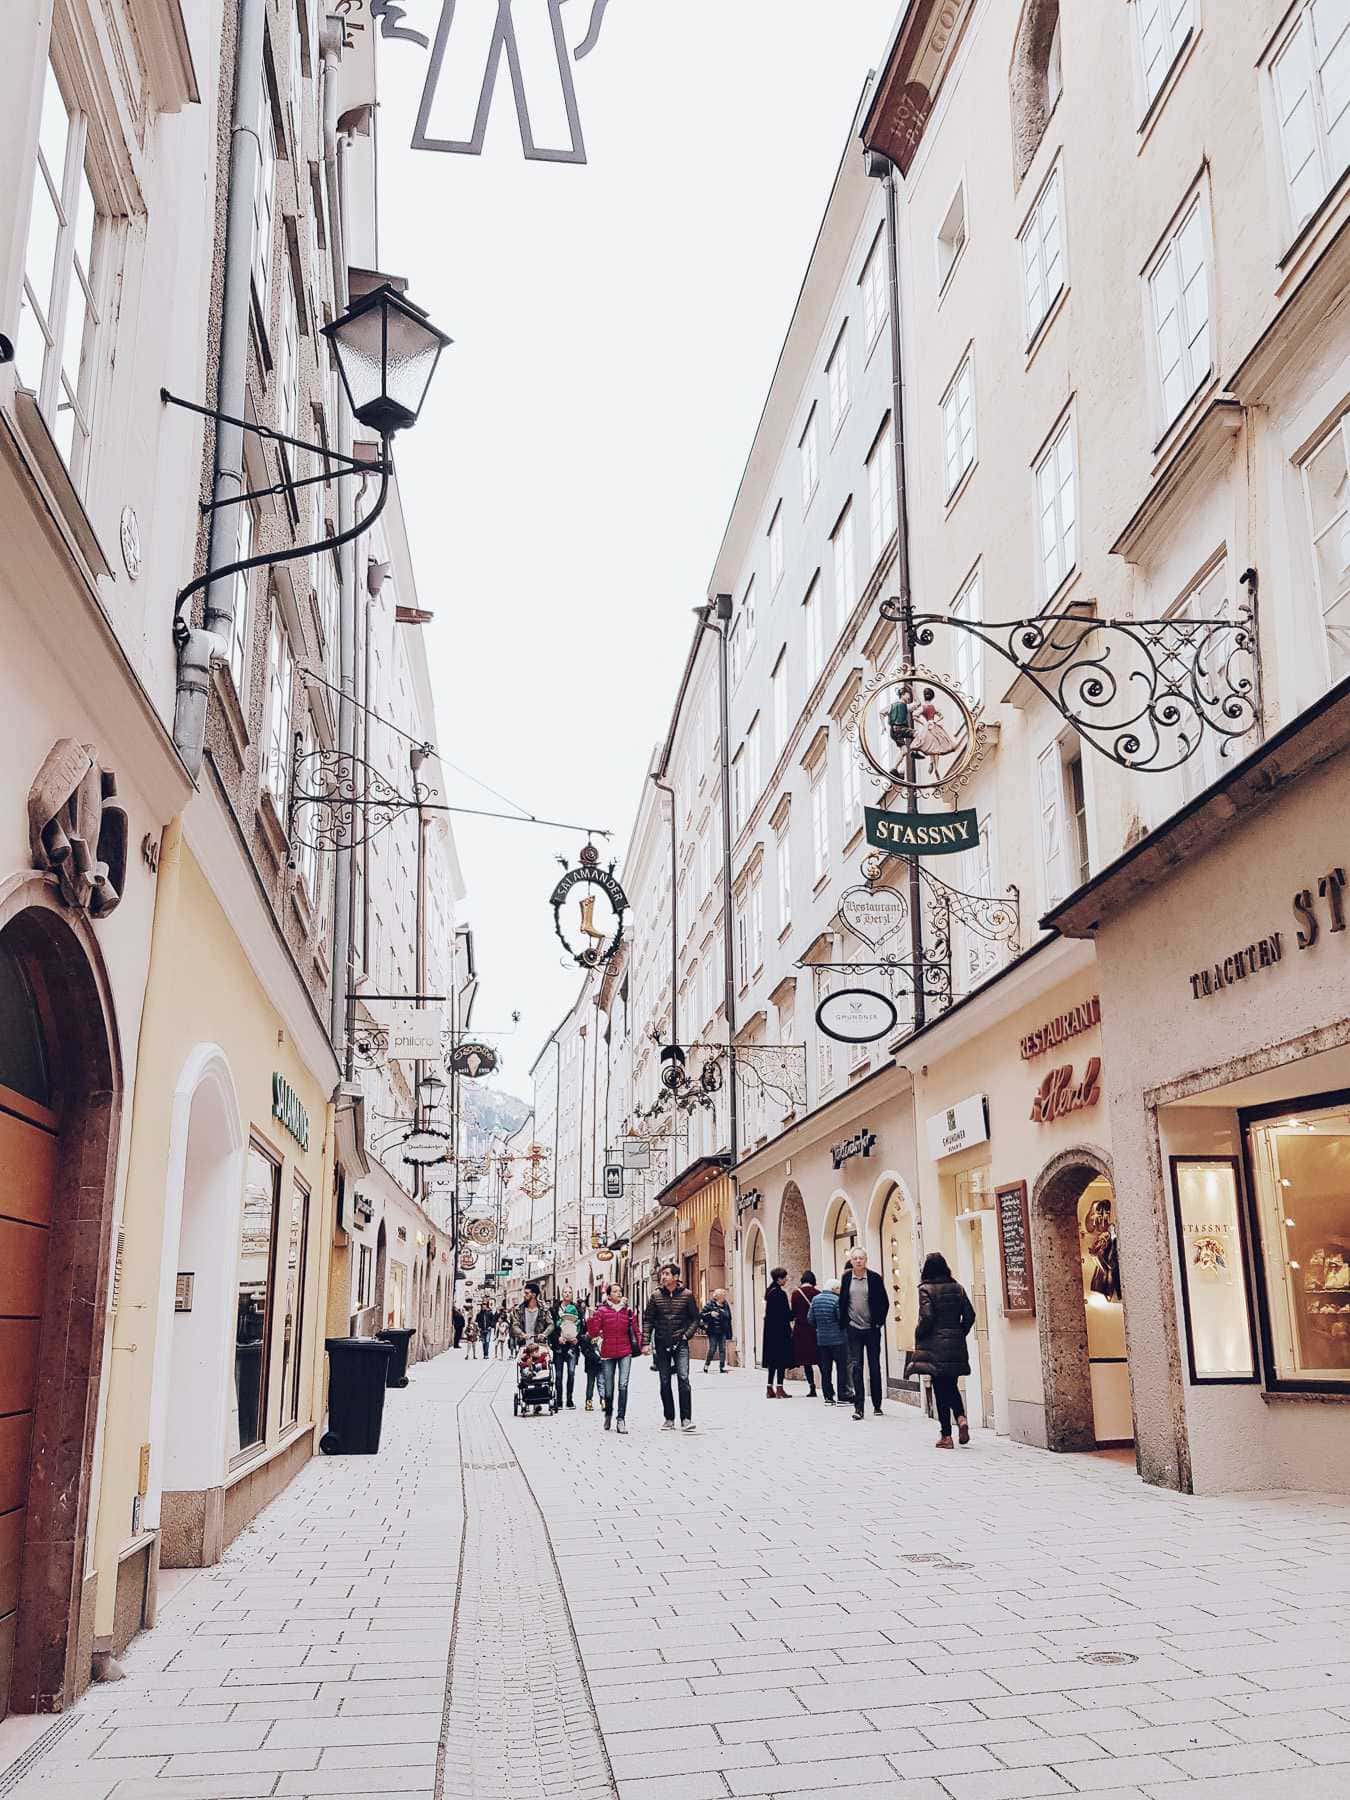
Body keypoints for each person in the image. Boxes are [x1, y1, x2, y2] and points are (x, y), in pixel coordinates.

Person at [909, 1251, 977, 1449]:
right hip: (955, 1343)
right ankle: (961, 1417)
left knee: (940, 1388)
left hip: (934, 1346)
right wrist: (958, 1332)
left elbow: (927, 1317)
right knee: (952, 1385)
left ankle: (946, 1435)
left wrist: (920, 1334)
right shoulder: (958, 1288)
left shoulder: (926, 1289)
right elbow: (970, 1315)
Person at [643, 1264, 699, 1432]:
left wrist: (686, 1335)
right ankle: (669, 1418)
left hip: (680, 1343)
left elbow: (695, 1318)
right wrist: (645, 1343)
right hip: (661, 1343)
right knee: (665, 1381)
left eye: (667, 1274)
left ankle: (686, 1419)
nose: (663, 1277)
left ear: (675, 1277)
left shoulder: (687, 1295)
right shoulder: (655, 1296)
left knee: (683, 1378)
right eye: (662, 1274)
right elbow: (648, 1320)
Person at [838, 1249, 890, 1421]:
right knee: (856, 1367)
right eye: (855, 1259)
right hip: (853, 1329)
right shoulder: (846, 1279)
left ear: (866, 1260)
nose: (858, 1261)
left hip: (872, 1329)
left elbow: (885, 1302)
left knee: (874, 1366)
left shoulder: (874, 1278)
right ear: (851, 1262)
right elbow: (842, 1302)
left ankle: (877, 1404)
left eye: (861, 1258)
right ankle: (858, 1407)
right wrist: (844, 1322)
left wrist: (878, 1322)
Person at [588, 1282, 644, 1433]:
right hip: (608, 1352)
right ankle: (608, 1413)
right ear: (609, 1294)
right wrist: (591, 1318)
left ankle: (621, 1419)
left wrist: (641, 1345)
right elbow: (593, 1333)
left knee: (623, 1385)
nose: (619, 1294)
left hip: (625, 1351)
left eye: (620, 1291)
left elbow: (636, 1330)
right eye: (615, 1291)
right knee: (608, 1388)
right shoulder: (602, 1311)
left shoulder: (628, 1311)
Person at [807, 1278, 852, 1406]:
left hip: (822, 1340)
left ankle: (828, 1397)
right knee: (841, 1368)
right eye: (839, 1289)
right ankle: (842, 1396)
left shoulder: (815, 1300)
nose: (840, 1291)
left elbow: (810, 1319)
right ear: (834, 1289)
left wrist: (820, 1327)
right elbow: (841, 1318)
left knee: (826, 1369)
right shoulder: (836, 1300)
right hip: (838, 1340)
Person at [551, 1286, 587, 1409]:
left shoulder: (577, 1309)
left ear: (572, 1294)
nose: (567, 1294)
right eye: (565, 1292)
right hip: (559, 1347)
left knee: (571, 1373)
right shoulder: (555, 1309)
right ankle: (559, 1400)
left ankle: (569, 1399)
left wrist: (578, 1339)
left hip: (572, 1346)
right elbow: (551, 1327)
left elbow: (582, 1326)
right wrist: (557, 1338)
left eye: (569, 1292)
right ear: (562, 1294)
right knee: (559, 1374)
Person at [762, 1267, 794, 1399]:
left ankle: (769, 1387)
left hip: (770, 1331)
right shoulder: (780, 1293)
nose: (786, 1280)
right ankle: (780, 1388)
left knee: (772, 1362)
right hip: (780, 1331)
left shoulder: (769, 1292)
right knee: (781, 1360)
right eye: (784, 1277)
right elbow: (786, 1314)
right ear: (779, 1279)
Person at [790, 1270, 820, 1398]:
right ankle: (827, 1386)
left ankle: (812, 1387)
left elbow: (793, 1313)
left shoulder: (796, 1294)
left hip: (801, 1330)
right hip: (815, 1330)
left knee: (807, 1362)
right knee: (821, 1359)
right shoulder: (818, 1293)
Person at [699, 1288, 733, 1372]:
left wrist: (722, 1312)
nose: (724, 1298)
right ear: (717, 1296)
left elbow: (729, 1316)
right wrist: (710, 1314)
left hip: (722, 1330)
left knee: (722, 1349)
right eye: (723, 1296)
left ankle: (722, 1367)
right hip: (712, 1331)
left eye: (724, 1296)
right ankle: (707, 1365)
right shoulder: (710, 1304)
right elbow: (701, 1315)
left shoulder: (725, 1305)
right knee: (712, 1348)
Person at [509, 1283, 554, 1347]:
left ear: (533, 1295)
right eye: (524, 1293)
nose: (524, 1295)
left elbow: (551, 1324)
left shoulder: (544, 1309)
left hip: (539, 1345)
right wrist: (522, 1334)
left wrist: (544, 1334)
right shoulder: (518, 1309)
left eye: (527, 1293)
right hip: (524, 1345)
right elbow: (515, 1325)